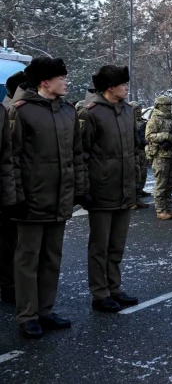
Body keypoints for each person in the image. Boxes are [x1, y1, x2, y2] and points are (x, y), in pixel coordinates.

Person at [9, 57, 84, 338]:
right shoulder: (21, 111)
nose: (66, 82)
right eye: (61, 78)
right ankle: (27, 315)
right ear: (45, 82)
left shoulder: (68, 111)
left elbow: (77, 155)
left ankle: (45, 310)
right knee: (27, 260)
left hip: (59, 198)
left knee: (52, 257)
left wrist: (78, 189)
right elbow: (11, 158)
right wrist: (16, 196)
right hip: (31, 199)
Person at [79, 65, 140, 313]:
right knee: (99, 246)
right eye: (123, 84)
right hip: (101, 190)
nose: (127, 88)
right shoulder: (90, 113)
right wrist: (84, 189)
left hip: (123, 189)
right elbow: (81, 154)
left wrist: (134, 181)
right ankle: (100, 293)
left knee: (116, 245)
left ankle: (114, 287)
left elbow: (134, 150)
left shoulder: (128, 111)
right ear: (110, 88)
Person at [0, 72, 25, 306]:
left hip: (11, 190)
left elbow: (7, 159)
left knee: (12, 243)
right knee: (9, 243)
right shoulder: (11, 111)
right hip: (13, 187)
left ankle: (11, 285)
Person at [146, 96, 172, 220]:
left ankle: (168, 209)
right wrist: (165, 135)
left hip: (171, 155)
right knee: (161, 184)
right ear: (159, 106)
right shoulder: (155, 119)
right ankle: (160, 210)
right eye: (166, 105)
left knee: (170, 184)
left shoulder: (171, 120)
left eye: (170, 105)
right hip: (160, 156)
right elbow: (149, 136)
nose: (169, 107)